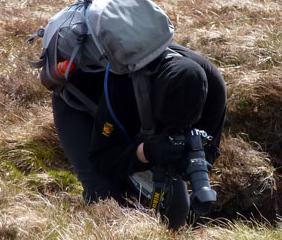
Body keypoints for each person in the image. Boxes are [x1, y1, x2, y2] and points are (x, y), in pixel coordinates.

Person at [52, 43, 226, 229]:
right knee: (105, 193)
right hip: (81, 102)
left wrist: (186, 161)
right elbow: (102, 158)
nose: (174, 130)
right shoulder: (123, 82)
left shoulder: (213, 87)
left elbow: (211, 147)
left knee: (175, 212)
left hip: (143, 122)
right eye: (169, 125)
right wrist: (148, 152)